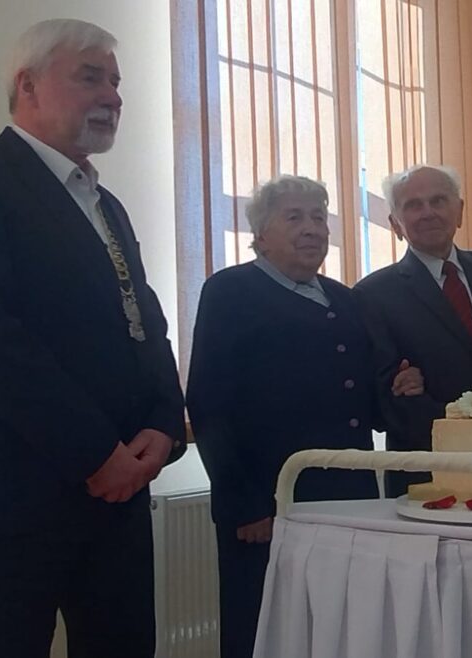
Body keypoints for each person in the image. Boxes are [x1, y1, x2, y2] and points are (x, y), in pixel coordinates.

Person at [0, 19, 187, 658]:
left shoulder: (108, 206)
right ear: (27, 85)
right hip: (3, 493)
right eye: (91, 77)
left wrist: (164, 424)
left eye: (116, 82)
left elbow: (145, 325)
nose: (112, 96)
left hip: (117, 496)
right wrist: (95, 454)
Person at [185, 175, 381, 657]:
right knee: (262, 631)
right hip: (268, 504)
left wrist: (400, 384)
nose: (311, 228)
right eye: (294, 217)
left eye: (318, 217)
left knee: (337, 629)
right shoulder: (230, 291)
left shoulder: (344, 298)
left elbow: (356, 390)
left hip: (347, 497)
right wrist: (246, 504)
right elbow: (209, 403)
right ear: (261, 233)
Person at [353, 164, 472, 497]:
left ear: (459, 211)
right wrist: (470, 433)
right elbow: (387, 399)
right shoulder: (372, 294)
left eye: (438, 200)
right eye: (413, 205)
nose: (428, 212)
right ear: (395, 223)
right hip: (429, 471)